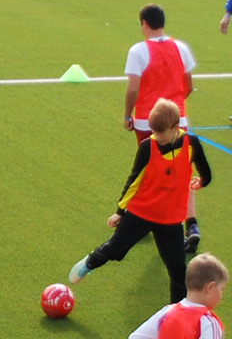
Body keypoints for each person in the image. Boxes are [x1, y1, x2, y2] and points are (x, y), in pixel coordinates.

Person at [69, 98, 211, 304]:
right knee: (116, 250)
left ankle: (178, 312)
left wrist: (202, 182)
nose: (156, 137)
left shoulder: (192, 144)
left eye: (160, 133)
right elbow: (134, 181)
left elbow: (205, 171)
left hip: (170, 219)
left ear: (175, 128)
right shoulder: (147, 147)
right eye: (154, 132)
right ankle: (90, 262)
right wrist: (120, 211)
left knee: (178, 270)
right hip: (141, 212)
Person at [123, 3, 201, 253]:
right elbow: (188, 84)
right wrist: (174, 108)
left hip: (148, 122)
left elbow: (133, 88)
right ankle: (191, 225)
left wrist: (127, 114)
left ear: (144, 24)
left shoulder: (138, 51)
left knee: (150, 170)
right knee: (183, 172)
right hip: (179, 121)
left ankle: (149, 222)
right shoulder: (181, 48)